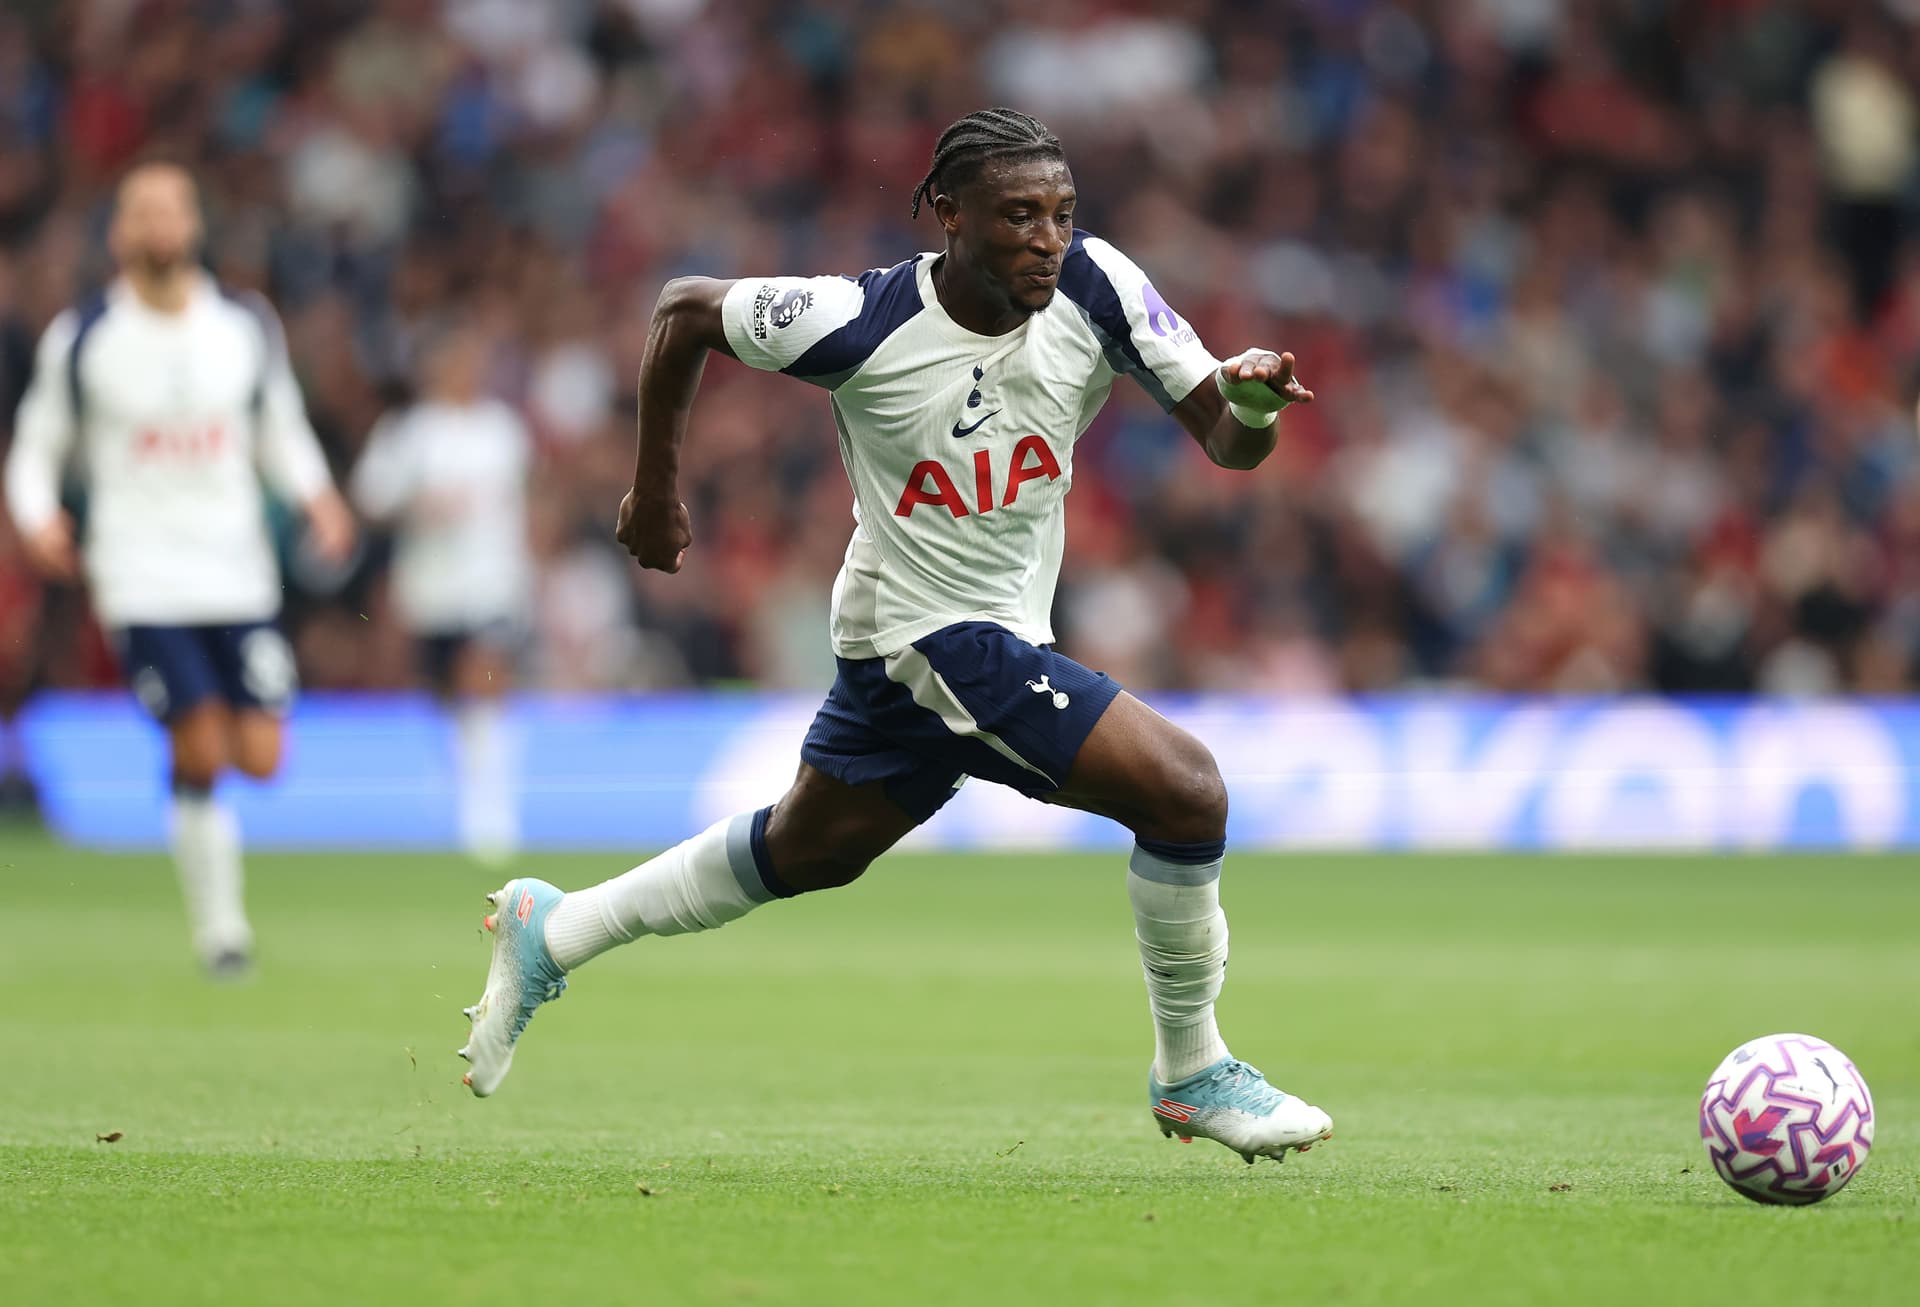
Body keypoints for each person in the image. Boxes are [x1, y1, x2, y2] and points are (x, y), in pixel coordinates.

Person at [460, 109, 1331, 1163]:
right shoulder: (858, 321)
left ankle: (555, 929)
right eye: (1019, 216)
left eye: (1061, 213)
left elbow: (1228, 441)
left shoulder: (1099, 286)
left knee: (809, 848)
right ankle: (1192, 1068)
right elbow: (683, 309)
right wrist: (653, 491)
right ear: (950, 215)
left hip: (958, 632)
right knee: (1186, 790)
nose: (1048, 239)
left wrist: (1254, 405)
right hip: (929, 636)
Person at [5, 162, 354, 975]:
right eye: (142, 212)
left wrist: (319, 497)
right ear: (119, 232)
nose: (159, 225)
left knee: (260, 757)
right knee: (199, 743)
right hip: (141, 577)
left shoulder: (243, 324)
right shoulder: (85, 336)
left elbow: (279, 427)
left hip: (237, 571)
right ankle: (222, 933)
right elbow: (36, 445)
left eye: (172, 210)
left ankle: (203, 841)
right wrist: (36, 516)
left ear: (195, 225)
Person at [351, 326, 533, 865]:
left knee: (485, 679)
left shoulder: (503, 430)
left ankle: (491, 813)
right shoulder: (410, 432)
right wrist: (416, 503)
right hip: (430, 590)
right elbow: (369, 498)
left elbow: (522, 503)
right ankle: (462, 790)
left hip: (492, 584)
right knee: (447, 699)